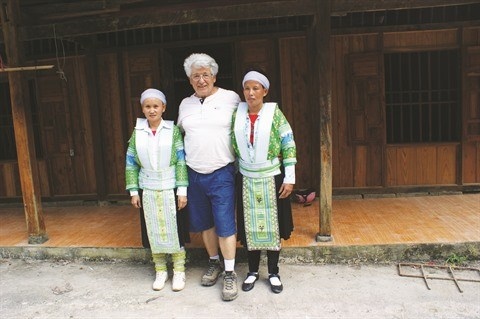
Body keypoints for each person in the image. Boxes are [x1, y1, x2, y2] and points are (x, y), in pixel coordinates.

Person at [177, 53, 241, 301]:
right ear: (190, 80)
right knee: (205, 223)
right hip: (194, 172)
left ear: (214, 76)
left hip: (222, 171)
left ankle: (229, 272)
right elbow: (181, 136)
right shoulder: (185, 104)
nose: (201, 80)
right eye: (196, 76)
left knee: (225, 224)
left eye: (205, 74)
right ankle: (214, 262)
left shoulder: (231, 98)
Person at [232, 70, 296, 294]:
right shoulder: (237, 114)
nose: (251, 93)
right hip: (246, 177)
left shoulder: (274, 113)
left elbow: (288, 143)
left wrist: (290, 178)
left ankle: (273, 272)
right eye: (247, 88)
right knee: (249, 226)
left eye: (255, 88)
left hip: (272, 176)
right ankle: (251, 271)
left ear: (265, 91)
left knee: (273, 224)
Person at [125, 88, 189, 292]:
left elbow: (181, 160)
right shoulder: (137, 132)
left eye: (155, 106)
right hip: (149, 188)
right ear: (142, 109)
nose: (152, 110)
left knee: (175, 230)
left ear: (163, 108)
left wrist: (182, 190)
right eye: (147, 106)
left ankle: (179, 270)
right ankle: (160, 270)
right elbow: (130, 163)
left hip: (170, 187)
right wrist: (134, 191)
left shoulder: (173, 130)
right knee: (153, 230)